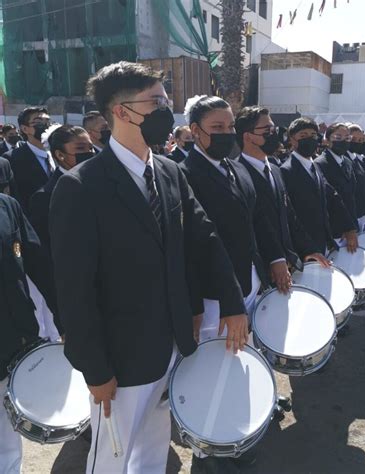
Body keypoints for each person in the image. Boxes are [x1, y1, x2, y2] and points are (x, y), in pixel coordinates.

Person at [50, 61, 247, 474]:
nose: (166, 109)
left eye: (165, 100)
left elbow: (204, 238)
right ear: (122, 112)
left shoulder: (170, 172)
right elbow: (74, 289)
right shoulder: (81, 187)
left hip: (172, 346)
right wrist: (95, 367)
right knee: (111, 460)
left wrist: (232, 302)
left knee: (153, 452)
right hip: (120, 361)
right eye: (155, 102)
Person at [181, 97, 279, 337]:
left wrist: (276, 258)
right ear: (195, 130)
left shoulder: (238, 168)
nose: (227, 133)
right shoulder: (184, 175)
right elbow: (190, 247)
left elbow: (257, 218)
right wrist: (197, 305)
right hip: (214, 300)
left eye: (231, 127)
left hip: (251, 283)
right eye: (217, 128)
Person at [0, 193, 59, 474]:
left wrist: (65, 317)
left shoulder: (7, 205)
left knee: (7, 439)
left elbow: (38, 264)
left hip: (12, 341)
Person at [235, 106, 330, 279]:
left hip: (285, 266)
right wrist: (274, 259)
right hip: (259, 272)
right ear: (248, 136)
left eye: (274, 128)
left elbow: (289, 216)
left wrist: (310, 249)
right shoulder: (236, 174)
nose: (274, 133)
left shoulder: (275, 170)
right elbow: (250, 228)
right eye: (267, 130)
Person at [280, 117, 358, 255]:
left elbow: (332, 196)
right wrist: (306, 249)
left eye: (313, 135)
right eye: (303, 136)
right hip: (304, 248)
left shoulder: (314, 166)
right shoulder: (286, 171)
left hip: (322, 241)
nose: (309, 139)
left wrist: (349, 228)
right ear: (292, 140)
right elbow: (290, 216)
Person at [29, 125, 95, 258]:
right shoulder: (45, 196)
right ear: (60, 155)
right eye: (80, 148)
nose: (90, 153)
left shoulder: (100, 182)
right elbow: (46, 248)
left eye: (91, 148)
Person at [3, 107, 55, 211]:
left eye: (48, 121)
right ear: (24, 129)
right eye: (39, 122)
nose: (46, 125)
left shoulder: (59, 153)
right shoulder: (12, 159)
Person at [316, 123, 359, 231]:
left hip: (351, 224)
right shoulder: (320, 164)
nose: (343, 141)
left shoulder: (348, 162)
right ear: (328, 140)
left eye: (347, 138)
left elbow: (351, 196)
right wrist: (347, 228)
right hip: (334, 229)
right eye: (338, 137)